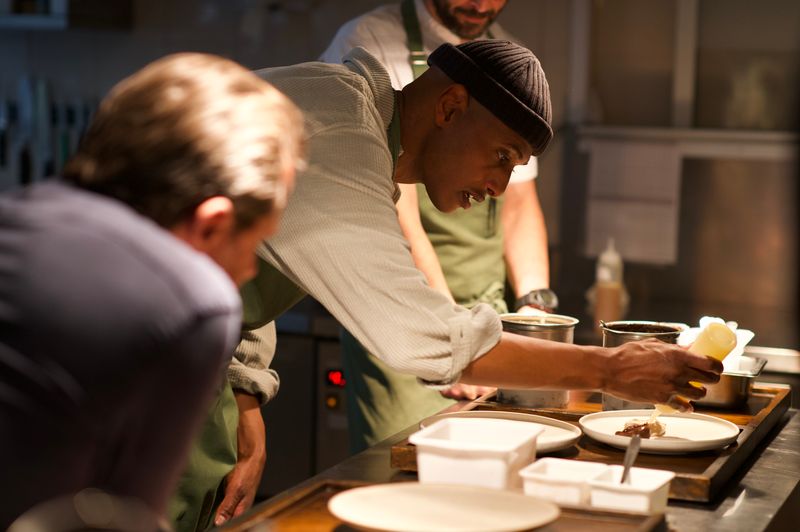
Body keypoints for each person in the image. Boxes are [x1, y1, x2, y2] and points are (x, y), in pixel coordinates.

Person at [233, 39, 722, 475]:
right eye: (502, 157)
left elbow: (250, 255)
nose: (498, 188)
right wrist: (611, 369)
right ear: (450, 107)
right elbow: (418, 335)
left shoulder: (356, 126)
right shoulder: (339, 131)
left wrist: (243, 383)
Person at [0, 52, 304, 530]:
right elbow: (131, 516)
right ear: (212, 222)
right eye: (253, 246)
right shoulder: (193, 302)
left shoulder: (17, 213)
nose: (249, 270)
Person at [320, 0, 555, 452]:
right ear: (449, 106)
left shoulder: (512, 59)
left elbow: (521, 203)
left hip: (481, 310)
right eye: (501, 158)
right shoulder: (369, 42)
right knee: (402, 475)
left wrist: (533, 308)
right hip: (405, 304)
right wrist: (452, 336)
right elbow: (394, 208)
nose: (482, 4)